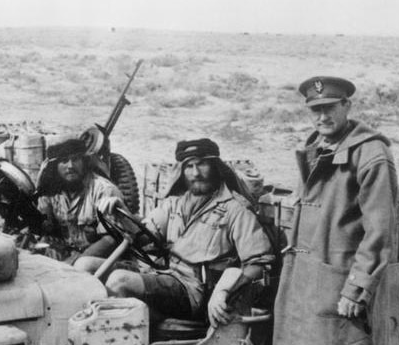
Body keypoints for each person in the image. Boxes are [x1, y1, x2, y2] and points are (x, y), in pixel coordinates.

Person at [260, 77, 399, 345]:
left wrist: (357, 289)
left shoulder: (370, 154)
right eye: (315, 110)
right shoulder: (317, 147)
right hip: (308, 291)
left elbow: (381, 232)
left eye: (330, 108)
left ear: (347, 107)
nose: (322, 116)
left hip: (344, 293)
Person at [103, 138, 274, 323]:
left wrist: (224, 291)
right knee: (88, 266)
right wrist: (121, 212)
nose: (196, 173)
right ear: (182, 171)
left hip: (195, 291)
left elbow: (259, 263)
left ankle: (130, 338)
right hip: (163, 273)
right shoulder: (174, 204)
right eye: (189, 166)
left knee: (119, 281)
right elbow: (143, 237)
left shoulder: (236, 210)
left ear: (215, 167)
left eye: (202, 164)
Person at [34, 137, 124, 273]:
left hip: (103, 261)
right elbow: (49, 232)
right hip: (69, 255)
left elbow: (111, 240)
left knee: (82, 266)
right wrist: (46, 218)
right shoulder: (52, 191)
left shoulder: (104, 190)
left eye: (75, 159)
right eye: (64, 161)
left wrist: (73, 264)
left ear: (84, 162)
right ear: (56, 166)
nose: (70, 166)